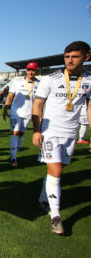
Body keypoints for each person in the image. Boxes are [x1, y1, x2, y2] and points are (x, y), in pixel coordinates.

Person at [32, 41, 91, 235]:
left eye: (75, 56)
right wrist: (37, 130)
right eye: (67, 57)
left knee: (56, 171)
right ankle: (56, 217)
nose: (70, 60)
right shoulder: (52, 78)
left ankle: (43, 199)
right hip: (50, 131)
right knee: (55, 170)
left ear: (86, 57)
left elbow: (89, 109)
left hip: (71, 133)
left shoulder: (89, 80)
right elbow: (38, 104)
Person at [3, 62, 40, 167]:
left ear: (36, 71)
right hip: (16, 112)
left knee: (21, 134)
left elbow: (40, 102)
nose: (30, 72)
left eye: (33, 70)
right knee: (15, 133)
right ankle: (13, 157)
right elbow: (10, 96)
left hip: (29, 113)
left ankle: (14, 152)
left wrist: (39, 115)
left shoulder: (40, 84)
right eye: (28, 69)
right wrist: (5, 109)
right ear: (26, 70)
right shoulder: (17, 82)